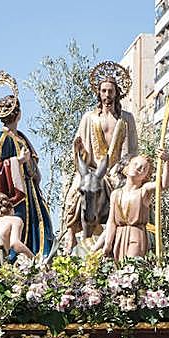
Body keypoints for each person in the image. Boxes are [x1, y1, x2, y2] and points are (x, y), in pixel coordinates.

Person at [62, 61, 140, 251]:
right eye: (104, 91)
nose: (107, 95)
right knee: (74, 192)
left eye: (110, 91)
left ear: (117, 93)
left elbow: (132, 149)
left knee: (132, 195)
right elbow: (80, 147)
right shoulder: (89, 117)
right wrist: (79, 150)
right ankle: (70, 232)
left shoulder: (126, 118)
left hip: (116, 170)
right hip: (91, 169)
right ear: (99, 93)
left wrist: (122, 167)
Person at [0, 71, 54, 258]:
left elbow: (33, 164)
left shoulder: (21, 137)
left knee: (37, 227)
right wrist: (17, 162)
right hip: (13, 196)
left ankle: (37, 258)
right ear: (19, 113)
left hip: (30, 193)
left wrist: (31, 167)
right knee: (17, 230)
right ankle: (20, 259)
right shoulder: (1, 138)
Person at [97, 151, 169, 262]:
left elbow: (163, 185)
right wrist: (107, 244)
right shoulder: (115, 194)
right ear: (126, 168)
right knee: (119, 270)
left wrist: (166, 162)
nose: (139, 168)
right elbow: (111, 222)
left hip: (136, 235)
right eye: (136, 164)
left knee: (130, 268)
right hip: (119, 237)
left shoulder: (144, 190)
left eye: (144, 169)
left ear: (146, 176)